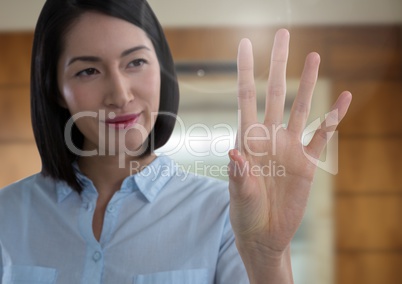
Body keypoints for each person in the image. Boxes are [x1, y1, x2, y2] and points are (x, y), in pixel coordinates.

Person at [0, 0, 352, 283]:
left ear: (162, 69)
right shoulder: (7, 215)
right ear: (55, 90)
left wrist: (267, 257)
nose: (120, 95)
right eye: (88, 70)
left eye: (135, 61)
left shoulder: (225, 213)